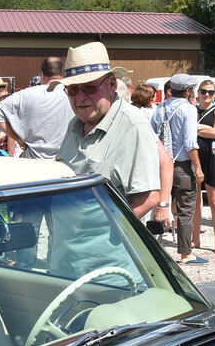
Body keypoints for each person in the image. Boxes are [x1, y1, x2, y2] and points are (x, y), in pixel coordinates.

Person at [52, 41, 163, 218]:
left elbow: (149, 197)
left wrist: (106, 233)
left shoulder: (132, 124)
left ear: (111, 84)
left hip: (104, 244)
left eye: (89, 87)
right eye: (72, 90)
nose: (80, 97)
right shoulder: (75, 124)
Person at [151, 75, 204, 264]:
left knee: (159, 206)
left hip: (160, 164)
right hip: (181, 166)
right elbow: (190, 143)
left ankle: (151, 249)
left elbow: (152, 136)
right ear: (188, 91)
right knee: (185, 210)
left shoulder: (159, 107)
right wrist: (198, 168)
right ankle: (185, 252)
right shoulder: (189, 109)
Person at [0, 57, 74, 160]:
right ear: (63, 75)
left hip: (33, 162)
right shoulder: (73, 95)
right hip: (65, 161)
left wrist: (18, 139)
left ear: (42, 75)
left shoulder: (26, 94)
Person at [193, 79, 215, 254]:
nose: (207, 95)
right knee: (196, 201)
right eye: (204, 91)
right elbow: (187, 130)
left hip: (212, 158)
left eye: (211, 92)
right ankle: (195, 239)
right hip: (195, 157)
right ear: (198, 92)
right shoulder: (192, 110)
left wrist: (197, 128)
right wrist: (205, 128)